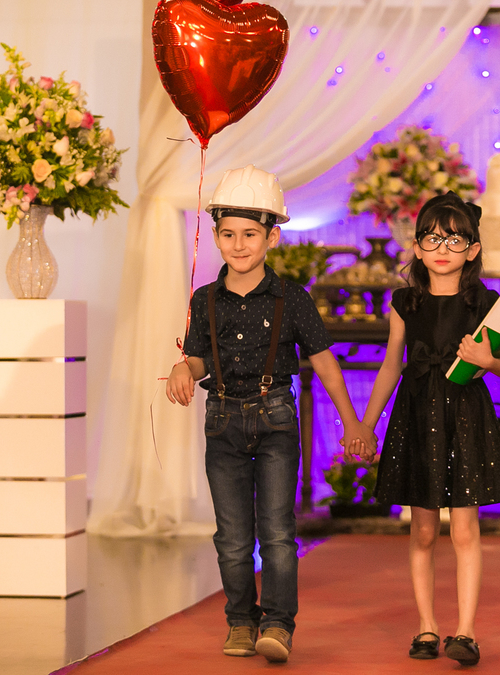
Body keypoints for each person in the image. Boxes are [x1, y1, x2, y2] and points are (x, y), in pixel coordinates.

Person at [167, 165, 374, 664]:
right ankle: (241, 620)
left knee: (278, 533)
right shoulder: (205, 299)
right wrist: (183, 367)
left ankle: (278, 624)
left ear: (272, 237)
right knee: (232, 537)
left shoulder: (292, 299)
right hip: (222, 422)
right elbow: (200, 358)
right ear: (216, 236)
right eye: (229, 234)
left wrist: (352, 422)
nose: (239, 245)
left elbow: (325, 362)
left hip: (276, 419)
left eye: (250, 234)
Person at [350, 191, 500, 667]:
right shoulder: (405, 301)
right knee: (422, 530)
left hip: (465, 416)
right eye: (432, 238)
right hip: (417, 415)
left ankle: (466, 632)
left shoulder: (486, 302)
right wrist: (366, 422)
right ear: (417, 247)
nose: (443, 248)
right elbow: (391, 365)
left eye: (455, 239)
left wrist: (488, 359)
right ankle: (426, 626)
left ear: (473, 249)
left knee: (465, 528)